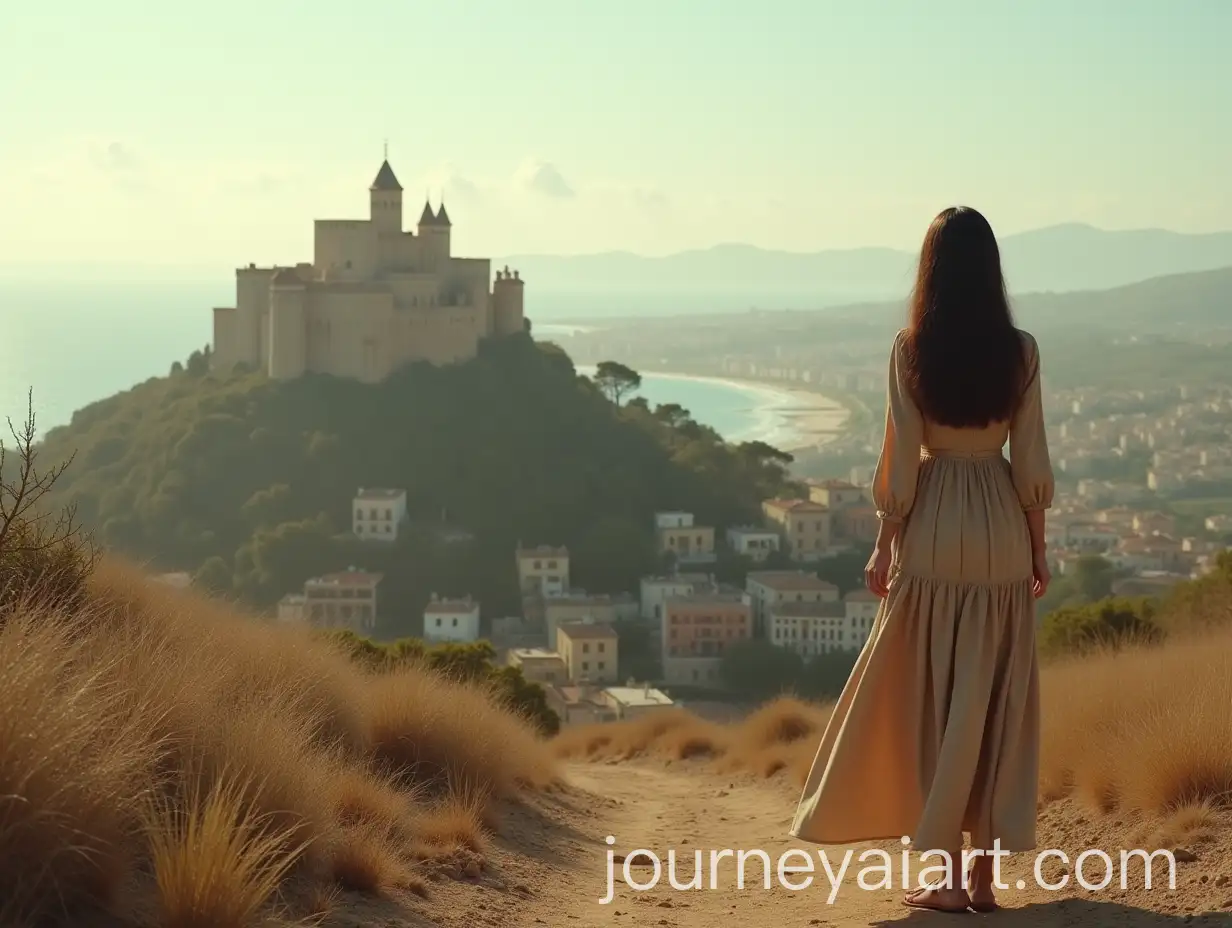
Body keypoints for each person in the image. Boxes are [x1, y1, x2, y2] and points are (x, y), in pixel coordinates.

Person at [788, 206, 1054, 913]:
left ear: (930, 269)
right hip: (999, 521)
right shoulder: (1021, 351)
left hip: (933, 525)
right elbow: (1028, 454)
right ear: (992, 269)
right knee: (994, 696)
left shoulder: (911, 350)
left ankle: (940, 876)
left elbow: (901, 457)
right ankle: (985, 880)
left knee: (935, 699)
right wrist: (1038, 543)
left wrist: (883, 542)